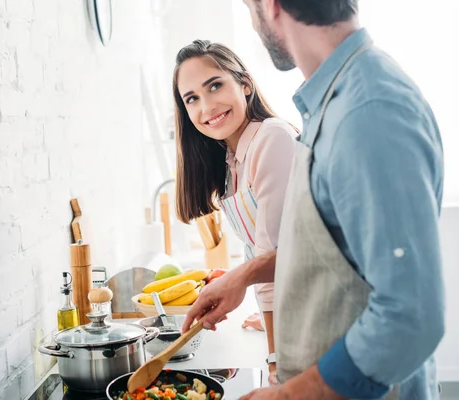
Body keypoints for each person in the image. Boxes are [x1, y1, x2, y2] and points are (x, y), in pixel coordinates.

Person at [182, 1, 446, 399]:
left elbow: (411, 315)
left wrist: (289, 394)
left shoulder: (368, 109)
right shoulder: (337, 102)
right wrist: (245, 275)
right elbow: (333, 249)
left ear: (270, 6)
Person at [172, 39, 296, 385]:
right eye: (192, 98)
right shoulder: (230, 164)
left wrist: (275, 365)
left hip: (320, 322)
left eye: (215, 85)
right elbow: (257, 254)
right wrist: (264, 314)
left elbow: (276, 258)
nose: (206, 106)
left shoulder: (271, 138)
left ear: (245, 83)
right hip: (291, 318)